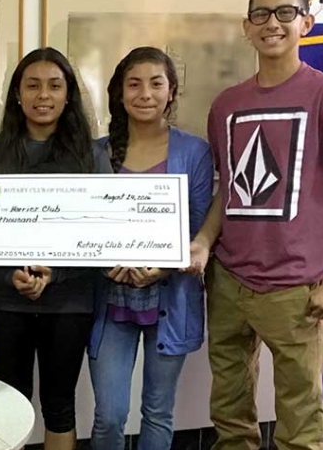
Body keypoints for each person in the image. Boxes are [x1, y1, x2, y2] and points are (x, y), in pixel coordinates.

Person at [184, 0, 323, 450]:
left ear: (306, 23)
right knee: (229, 415)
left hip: (296, 290)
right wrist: (204, 243)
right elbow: (230, 191)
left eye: (286, 13)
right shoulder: (226, 105)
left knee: (301, 420)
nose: (273, 23)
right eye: (261, 14)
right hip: (227, 283)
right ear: (246, 27)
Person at [0, 47, 112, 450]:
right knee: (5, 402)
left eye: (55, 86)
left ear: (68, 94)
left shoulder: (90, 156)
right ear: (17, 94)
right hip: (5, 301)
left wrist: (55, 273)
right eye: (32, 85)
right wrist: (9, 274)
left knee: (59, 404)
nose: (43, 95)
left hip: (69, 302)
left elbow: (99, 234)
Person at [88, 47, 213, 450]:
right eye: (134, 84)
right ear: (119, 93)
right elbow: (84, 224)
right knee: (108, 416)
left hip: (170, 298)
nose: (145, 93)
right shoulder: (96, 153)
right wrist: (102, 263)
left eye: (156, 83)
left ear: (171, 91)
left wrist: (165, 266)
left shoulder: (194, 152)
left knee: (158, 413)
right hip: (112, 299)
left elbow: (196, 227)